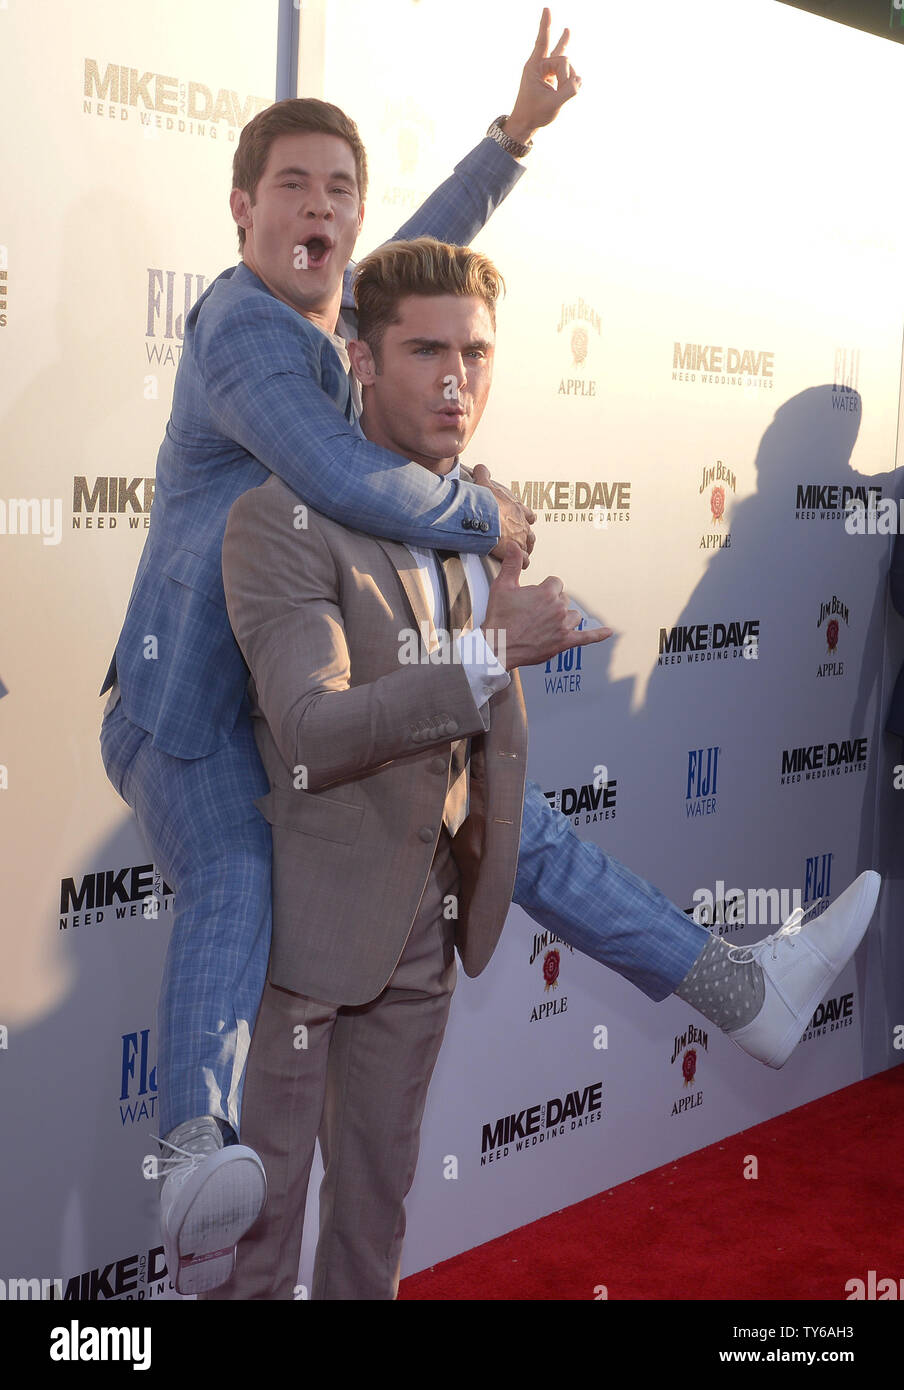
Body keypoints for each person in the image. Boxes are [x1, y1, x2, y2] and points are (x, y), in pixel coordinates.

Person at [208, 237, 881, 1300]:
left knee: (372, 1222)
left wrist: (506, 627)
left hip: (423, 932)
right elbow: (312, 729)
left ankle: (739, 986)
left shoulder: (474, 513)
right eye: (424, 349)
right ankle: (739, 987)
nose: (455, 379)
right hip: (303, 933)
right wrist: (491, 649)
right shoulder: (280, 521)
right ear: (359, 357)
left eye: (474, 352)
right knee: (255, 1241)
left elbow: (474, 732)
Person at [99, 12, 584, 1294]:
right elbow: (330, 473)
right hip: (186, 713)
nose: (320, 209)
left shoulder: (329, 328)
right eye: (293, 187)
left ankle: (724, 976)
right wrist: (488, 511)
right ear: (240, 210)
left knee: (536, 842)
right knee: (234, 887)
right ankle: (197, 1147)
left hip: (321, 794)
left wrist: (508, 139)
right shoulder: (249, 327)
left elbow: (411, 257)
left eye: (341, 192)